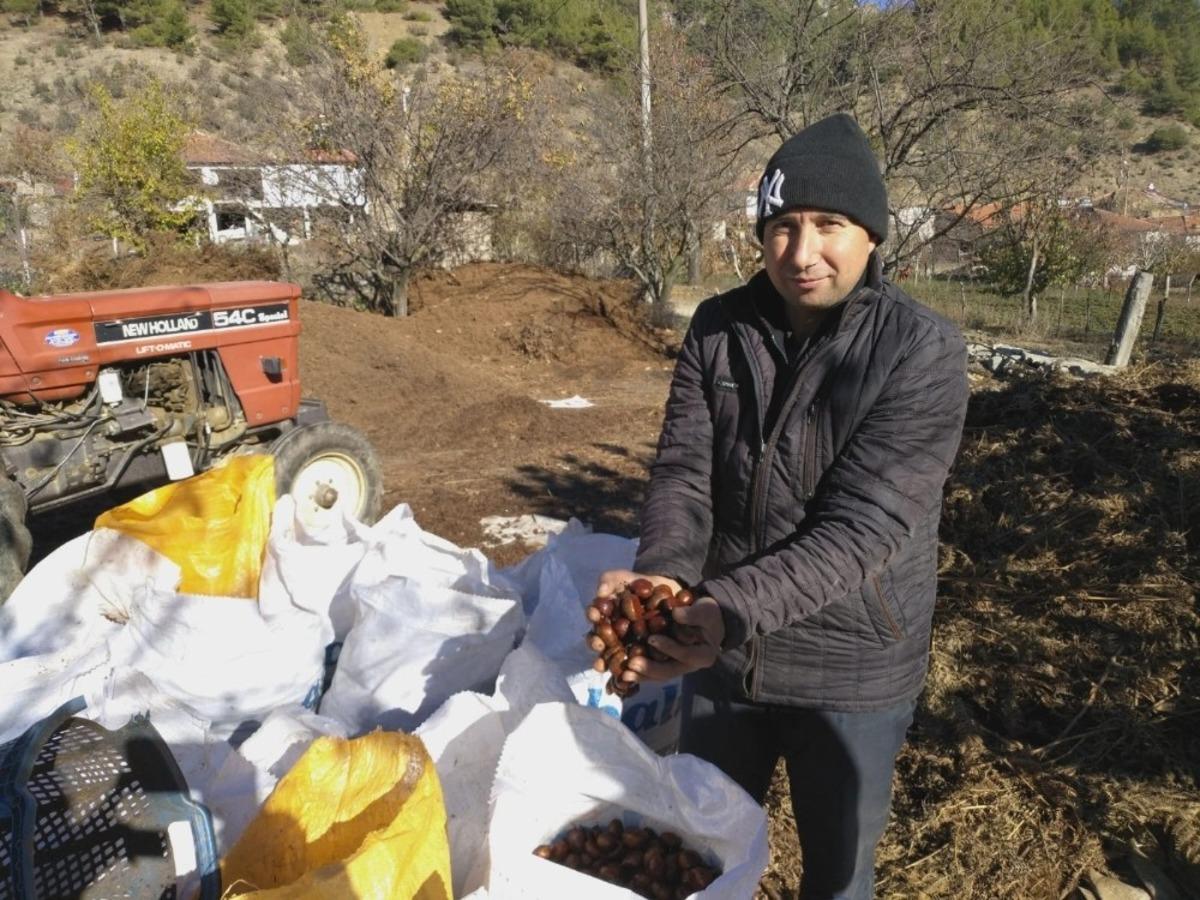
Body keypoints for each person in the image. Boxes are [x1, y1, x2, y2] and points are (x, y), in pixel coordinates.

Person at [594, 113, 970, 900]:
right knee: (699, 859)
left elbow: (862, 527)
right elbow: (684, 472)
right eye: (783, 227)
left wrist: (726, 608)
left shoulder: (920, 350)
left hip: (853, 669)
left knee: (837, 879)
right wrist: (661, 578)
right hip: (724, 661)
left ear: (871, 235)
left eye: (829, 225)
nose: (801, 254)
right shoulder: (719, 328)